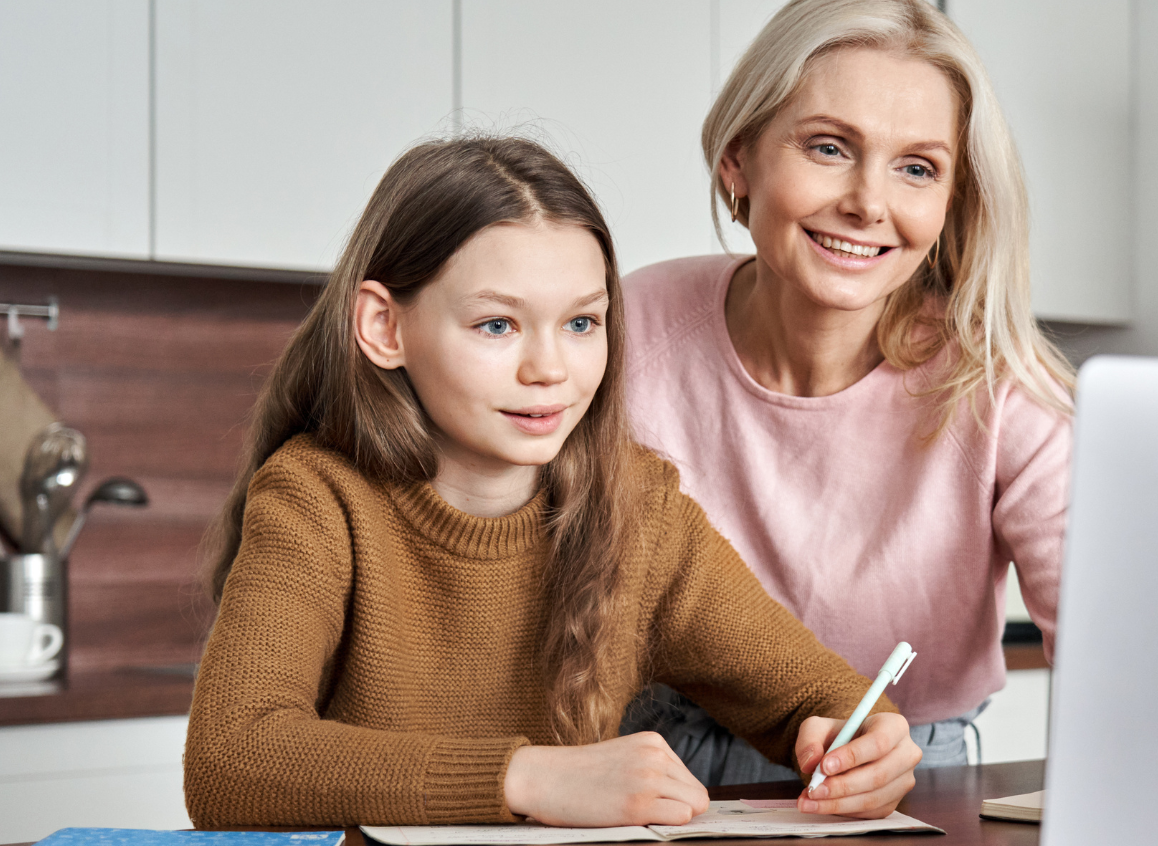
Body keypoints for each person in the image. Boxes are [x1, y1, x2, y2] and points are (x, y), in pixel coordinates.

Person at [182, 137, 922, 829]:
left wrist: (870, 742)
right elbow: (231, 761)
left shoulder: (639, 509)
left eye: (581, 324)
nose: (550, 370)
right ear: (384, 327)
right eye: (497, 326)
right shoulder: (317, 498)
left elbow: (814, 695)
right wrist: (527, 779)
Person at [620, 0, 1074, 784]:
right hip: (656, 765)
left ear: (948, 203)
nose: (869, 203)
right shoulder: (630, 328)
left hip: (924, 778)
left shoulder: (1002, 387)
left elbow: (1102, 642)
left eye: (917, 168)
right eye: (829, 148)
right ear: (738, 161)